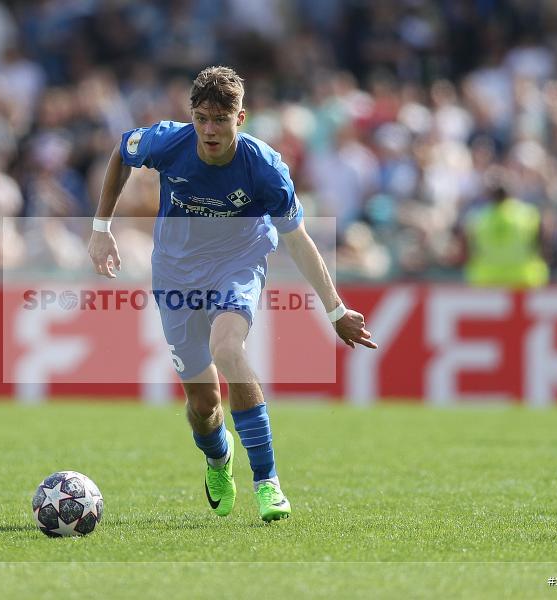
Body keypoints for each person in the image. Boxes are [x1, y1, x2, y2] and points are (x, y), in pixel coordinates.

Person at [88, 66, 377, 522]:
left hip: (237, 264)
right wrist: (101, 227)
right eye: (201, 118)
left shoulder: (265, 168)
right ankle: (218, 458)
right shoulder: (167, 142)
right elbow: (122, 153)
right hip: (176, 274)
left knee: (227, 349)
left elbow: (299, 240)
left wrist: (335, 309)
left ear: (240, 118)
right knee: (204, 406)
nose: (209, 130)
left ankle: (267, 481)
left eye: (220, 120)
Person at [463, 174, 549, 288]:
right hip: (523, 279)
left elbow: (469, 249)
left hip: (487, 279)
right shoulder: (528, 215)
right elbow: (542, 243)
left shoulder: (477, 218)